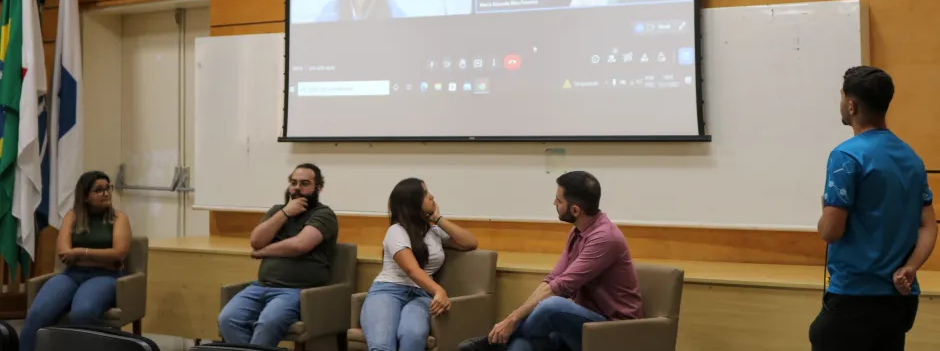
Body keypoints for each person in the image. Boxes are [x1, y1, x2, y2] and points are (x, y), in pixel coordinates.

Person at [809, 66, 938, 351]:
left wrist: (824, 212)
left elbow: (830, 231)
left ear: (851, 105)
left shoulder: (846, 155)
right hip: (899, 301)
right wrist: (911, 267)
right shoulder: (911, 157)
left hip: (854, 299)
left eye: (843, 97)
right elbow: (928, 225)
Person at [459, 170, 642, 351]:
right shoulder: (578, 231)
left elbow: (560, 287)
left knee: (552, 306)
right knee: (522, 344)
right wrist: (511, 320)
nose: (554, 203)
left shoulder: (604, 238)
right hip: (582, 323)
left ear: (575, 210)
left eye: (559, 200)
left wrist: (512, 321)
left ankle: (495, 342)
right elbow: (553, 279)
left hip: (614, 329)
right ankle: (503, 340)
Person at [218, 163, 339, 347]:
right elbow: (256, 241)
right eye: (293, 182)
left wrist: (264, 252)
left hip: (296, 290)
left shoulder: (324, 214)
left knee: (268, 323)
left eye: (305, 183)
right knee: (227, 319)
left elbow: (300, 245)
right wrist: (285, 212)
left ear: (319, 188)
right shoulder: (277, 211)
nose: (297, 188)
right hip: (261, 286)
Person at [360, 178, 479, 351]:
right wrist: (438, 290)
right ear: (412, 202)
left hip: (421, 295)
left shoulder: (433, 232)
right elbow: (412, 269)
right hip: (388, 291)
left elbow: (470, 243)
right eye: (424, 194)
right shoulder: (396, 231)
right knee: (382, 345)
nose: (432, 197)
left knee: (413, 336)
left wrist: (438, 219)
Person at [19, 171, 133, 351]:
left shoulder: (119, 218)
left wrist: (81, 252)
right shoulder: (71, 216)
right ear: (85, 196)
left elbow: (118, 253)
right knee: (38, 313)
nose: (106, 193)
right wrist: (100, 256)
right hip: (71, 274)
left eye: (108, 188)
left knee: (83, 313)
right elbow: (64, 252)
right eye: (99, 190)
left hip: (105, 275)